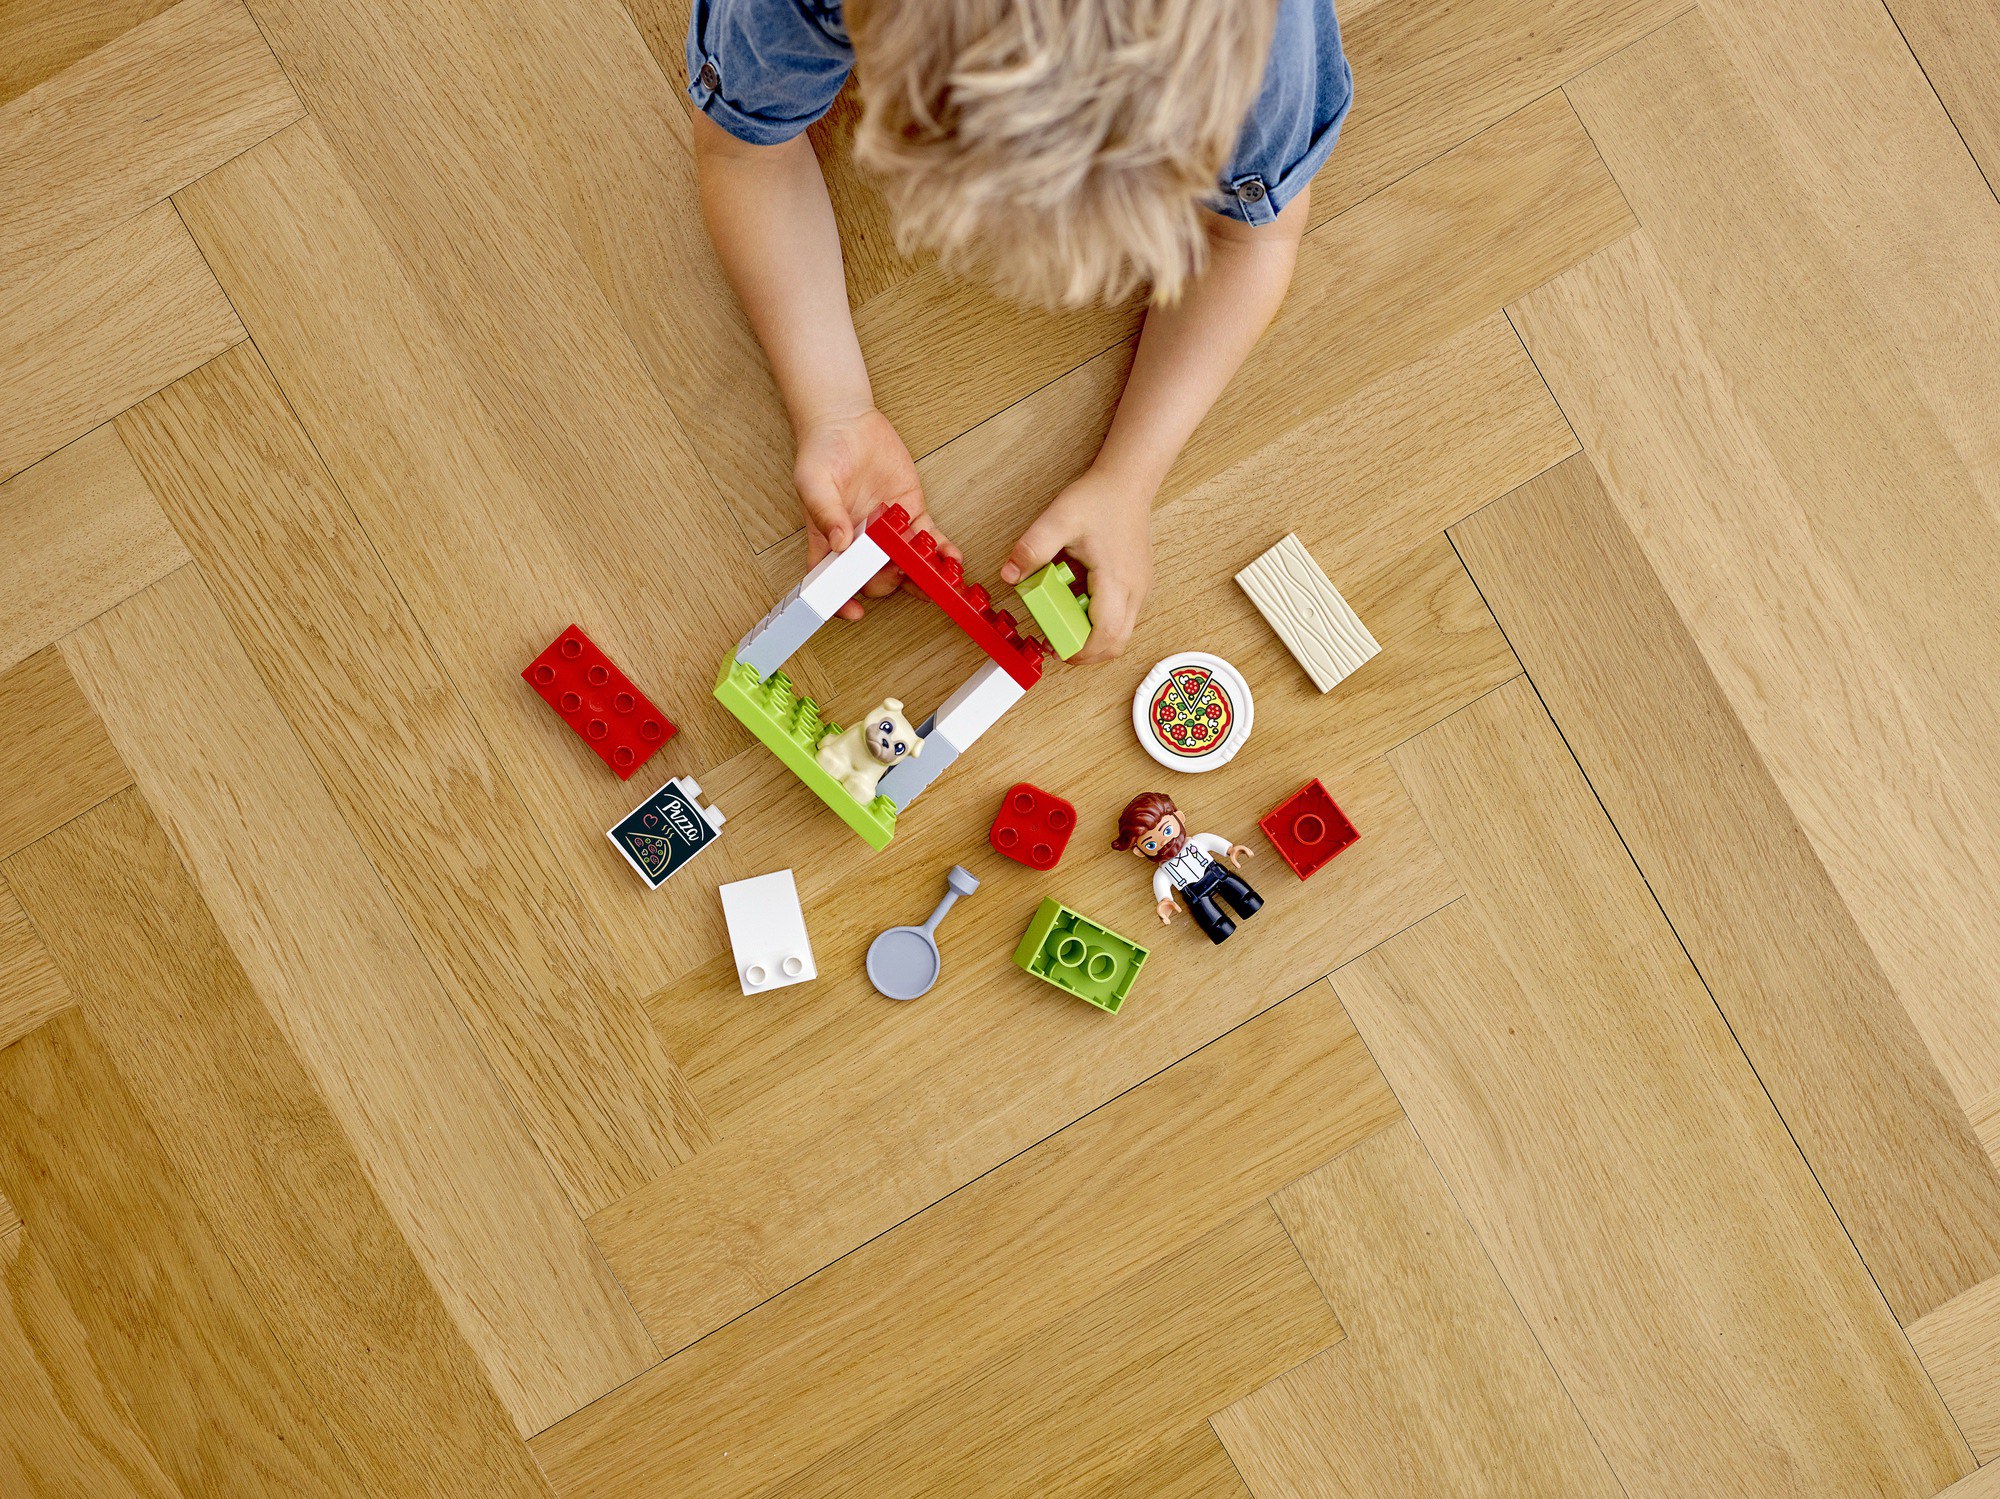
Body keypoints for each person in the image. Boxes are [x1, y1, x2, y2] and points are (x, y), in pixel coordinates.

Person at [687, 0, 1351, 661]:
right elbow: (746, 153)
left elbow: (1250, 241)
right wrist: (832, 406)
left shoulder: (1264, 47)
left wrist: (1130, 477)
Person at [1112, 791, 1262, 944]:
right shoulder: (1163, 872)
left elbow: (1213, 842)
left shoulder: (1197, 841)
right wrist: (1165, 901)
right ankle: (1219, 927)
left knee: (1245, 898)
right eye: (1151, 844)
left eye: (1167, 831)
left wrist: (1230, 849)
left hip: (1217, 874)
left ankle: (1248, 901)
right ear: (1140, 852)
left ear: (1180, 818)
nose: (1164, 842)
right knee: (1213, 922)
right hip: (1195, 895)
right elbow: (1161, 887)